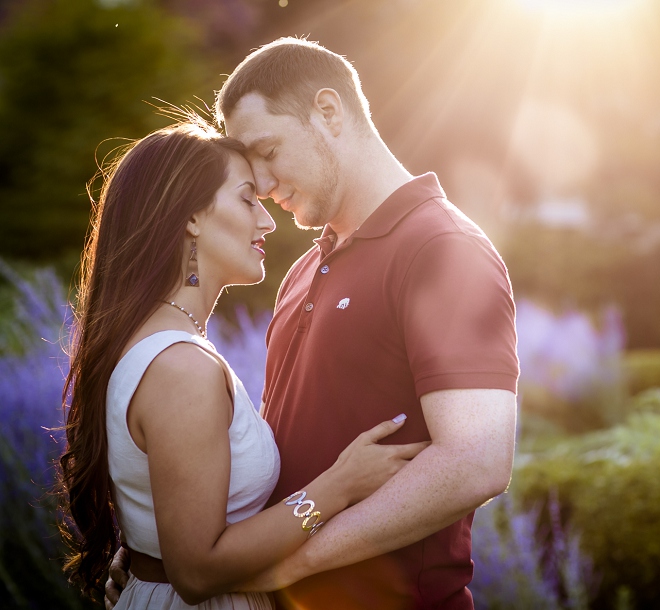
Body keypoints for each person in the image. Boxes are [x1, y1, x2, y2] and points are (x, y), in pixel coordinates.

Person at [109, 37, 520, 609]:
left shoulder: (442, 249)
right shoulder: (303, 270)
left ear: (328, 112)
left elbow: (476, 463)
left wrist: (288, 566)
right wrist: (162, 545)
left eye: (269, 151)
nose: (267, 186)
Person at [59, 118, 429, 609]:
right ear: (190, 216)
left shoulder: (159, 344)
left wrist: (144, 556)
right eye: (247, 198)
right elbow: (196, 571)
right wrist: (339, 486)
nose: (267, 221)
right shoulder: (181, 367)